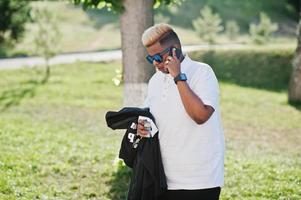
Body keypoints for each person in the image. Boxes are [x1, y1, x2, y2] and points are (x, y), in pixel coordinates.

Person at [137, 23, 225, 200]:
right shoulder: (155, 81)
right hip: (163, 179)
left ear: (175, 50)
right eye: (150, 59)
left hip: (199, 179)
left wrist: (178, 76)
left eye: (158, 57)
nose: (155, 63)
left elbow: (200, 116)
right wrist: (143, 128)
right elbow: (151, 119)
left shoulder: (202, 72)